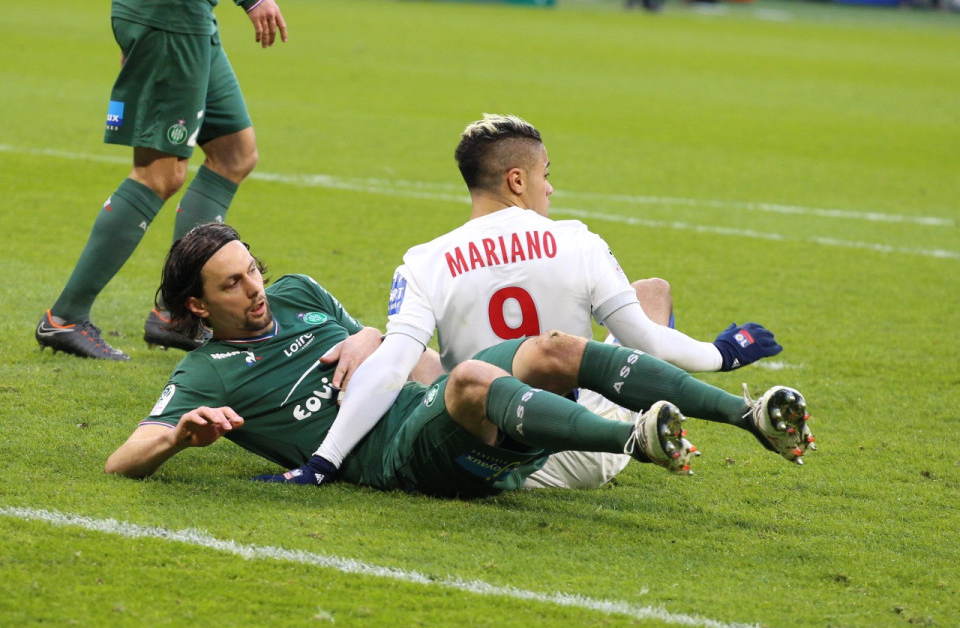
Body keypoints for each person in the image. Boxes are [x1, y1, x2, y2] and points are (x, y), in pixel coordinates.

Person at [266, 115, 815, 487]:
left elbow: (389, 368)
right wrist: (722, 353)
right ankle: (674, 423)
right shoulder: (577, 239)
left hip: (481, 438)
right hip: (576, 451)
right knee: (654, 295)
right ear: (516, 179)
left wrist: (323, 461)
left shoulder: (424, 258)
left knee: (411, 352)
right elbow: (646, 343)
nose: (550, 189)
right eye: (545, 176)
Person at [105, 223, 813, 498]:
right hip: (397, 458)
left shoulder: (296, 293)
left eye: (251, 268)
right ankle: (637, 437)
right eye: (232, 284)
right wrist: (177, 436)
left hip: (424, 399)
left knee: (553, 348)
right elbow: (123, 459)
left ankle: (747, 415)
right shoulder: (206, 374)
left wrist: (368, 337)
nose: (255, 287)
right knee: (479, 377)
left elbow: (394, 357)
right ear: (198, 308)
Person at [35, 0, 288, 362]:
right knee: (158, 174)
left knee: (234, 154)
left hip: (186, 11)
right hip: (168, 12)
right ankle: (66, 316)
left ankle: (175, 315)